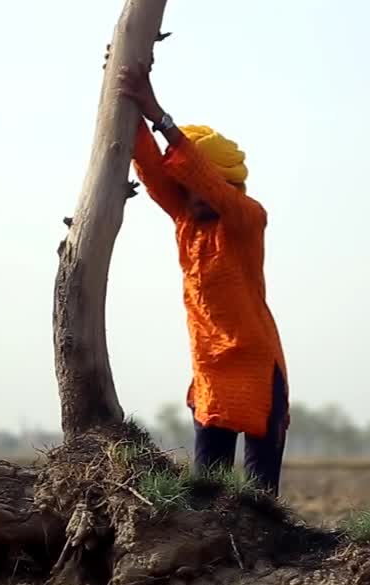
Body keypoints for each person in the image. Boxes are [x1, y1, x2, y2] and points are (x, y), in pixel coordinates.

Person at [116, 59, 290, 498]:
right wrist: (125, 93)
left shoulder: (247, 219)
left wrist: (159, 114)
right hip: (211, 369)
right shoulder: (187, 223)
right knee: (205, 493)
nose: (188, 198)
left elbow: (204, 181)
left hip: (256, 367)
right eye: (185, 191)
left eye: (196, 188)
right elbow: (154, 169)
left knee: (259, 498)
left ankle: (265, 563)